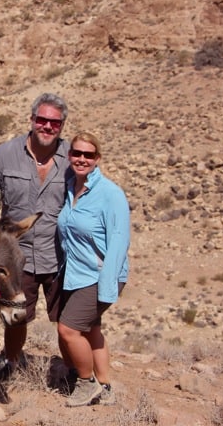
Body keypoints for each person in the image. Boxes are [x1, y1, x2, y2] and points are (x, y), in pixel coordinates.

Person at [0, 93, 72, 377]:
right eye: (42, 120)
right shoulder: (6, 153)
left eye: (54, 122)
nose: (47, 126)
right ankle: (11, 364)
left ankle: (75, 371)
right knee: (17, 317)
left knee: (68, 322)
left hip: (62, 253)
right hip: (18, 256)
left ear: (62, 125)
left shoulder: (73, 158)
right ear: (32, 120)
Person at [56, 131, 130, 407]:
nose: (82, 159)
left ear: (97, 159)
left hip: (99, 275)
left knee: (68, 330)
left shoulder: (110, 194)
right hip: (76, 273)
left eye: (88, 155)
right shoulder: (71, 186)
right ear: (69, 155)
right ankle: (106, 387)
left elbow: (119, 241)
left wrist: (107, 287)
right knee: (91, 329)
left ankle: (86, 383)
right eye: (77, 153)